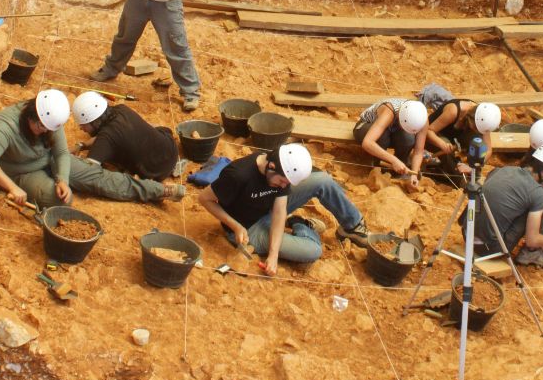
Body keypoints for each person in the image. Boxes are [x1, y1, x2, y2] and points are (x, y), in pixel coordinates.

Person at [0, 89, 179, 207]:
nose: (43, 132)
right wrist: (13, 187)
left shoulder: (50, 119)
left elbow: (60, 152)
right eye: (41, 128)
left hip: (49, 159)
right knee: (60, 200)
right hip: (22, 170)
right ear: (32, 116)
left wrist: (63, 180)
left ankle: (157, 190)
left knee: (99, 178)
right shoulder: (7, 125)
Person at [198, 143, 368, 274]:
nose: (284, 186)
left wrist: (274, 254)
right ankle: (300, 224)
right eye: (282, 181)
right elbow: (204, 199)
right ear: (271, 166)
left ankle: (353, 226)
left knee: (323, 180)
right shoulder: (238, 175)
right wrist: (235, 226)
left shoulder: (282, 172)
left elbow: (279, 211)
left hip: (268, 209)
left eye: (287, 183)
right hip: (249, 228)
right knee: (313, 251)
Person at [473, 143, 543, 267]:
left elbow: (502, 200)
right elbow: (531, 240)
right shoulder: (538, 193)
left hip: (469, 236)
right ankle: (532, 254)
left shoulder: (504, 170)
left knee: (535, 200)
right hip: (489, 249)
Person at [72, 90, 179, 180]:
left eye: (83, 125)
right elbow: (107, 136)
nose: (81, 128)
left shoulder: (105, 138)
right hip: (171, 149)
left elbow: (86, 171)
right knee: (140, 129)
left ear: (94, 121)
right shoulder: (121, 109)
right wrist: (82, 145)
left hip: (156, 172)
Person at [354, 98, 431, 185]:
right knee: (382, 137)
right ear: (400, 119)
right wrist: (393, 160)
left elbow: (418, 151)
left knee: (409, 139)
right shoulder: (389, 112)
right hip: (365, 126)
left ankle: (401, 168)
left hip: (391, 130)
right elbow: (367, 143)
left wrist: (414, 174)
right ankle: (375, 165)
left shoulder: (422, 119)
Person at [427, 98, 502, 177]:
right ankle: (458, 177)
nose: (477, 131)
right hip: (434, 136)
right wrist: (442, 144)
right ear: (472, 118)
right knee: (448, 153)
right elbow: (429, 131)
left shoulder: (484, 120)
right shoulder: (453, 111)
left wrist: (473, 166)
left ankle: (472, 172)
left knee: (478, 144)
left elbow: (488, 150)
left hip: (456, 138)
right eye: (476, 128)